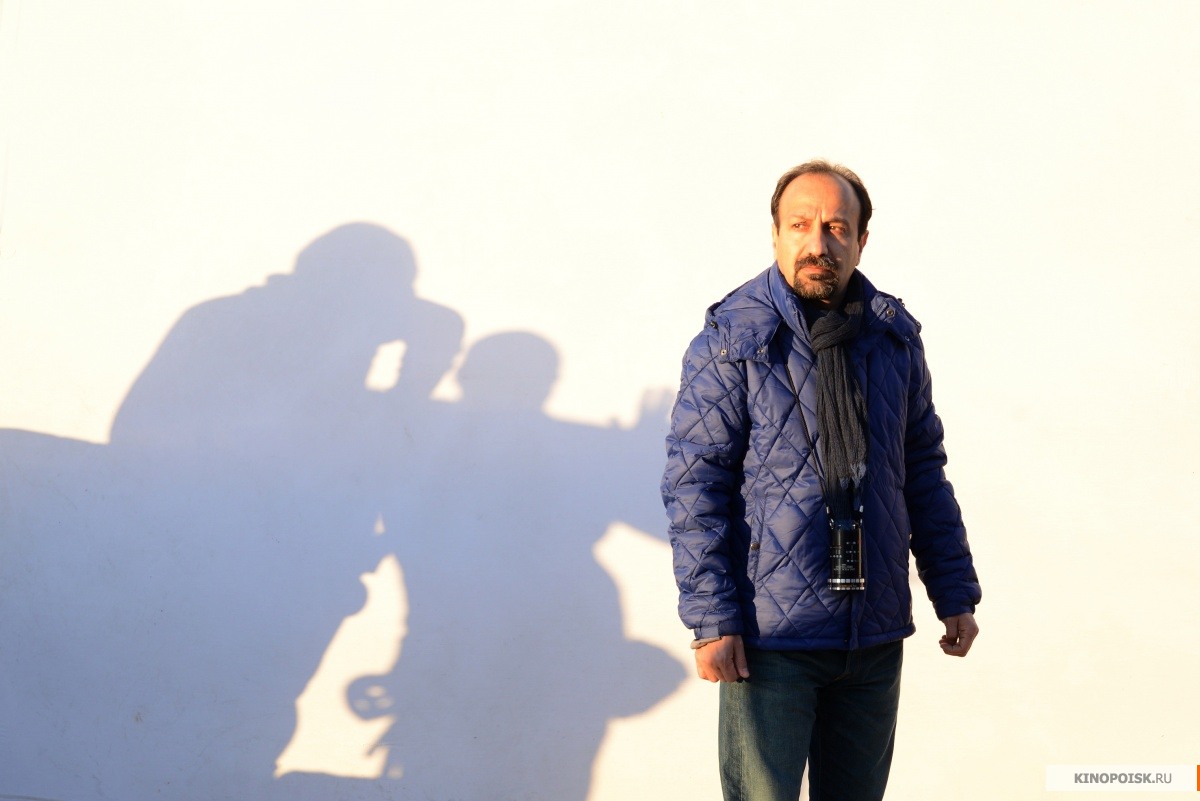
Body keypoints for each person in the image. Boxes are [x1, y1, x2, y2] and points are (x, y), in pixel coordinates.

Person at [661, 160, 981, 801]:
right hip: (769, 639)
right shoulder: (734, 341)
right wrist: (712, 618)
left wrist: (953, 590)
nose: (818, 243)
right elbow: (695, 488)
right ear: (775, 234)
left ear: (861, 239)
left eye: (836, 227)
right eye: (800, 225)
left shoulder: (893, 339)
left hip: (873, 635)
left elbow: (922, 473)